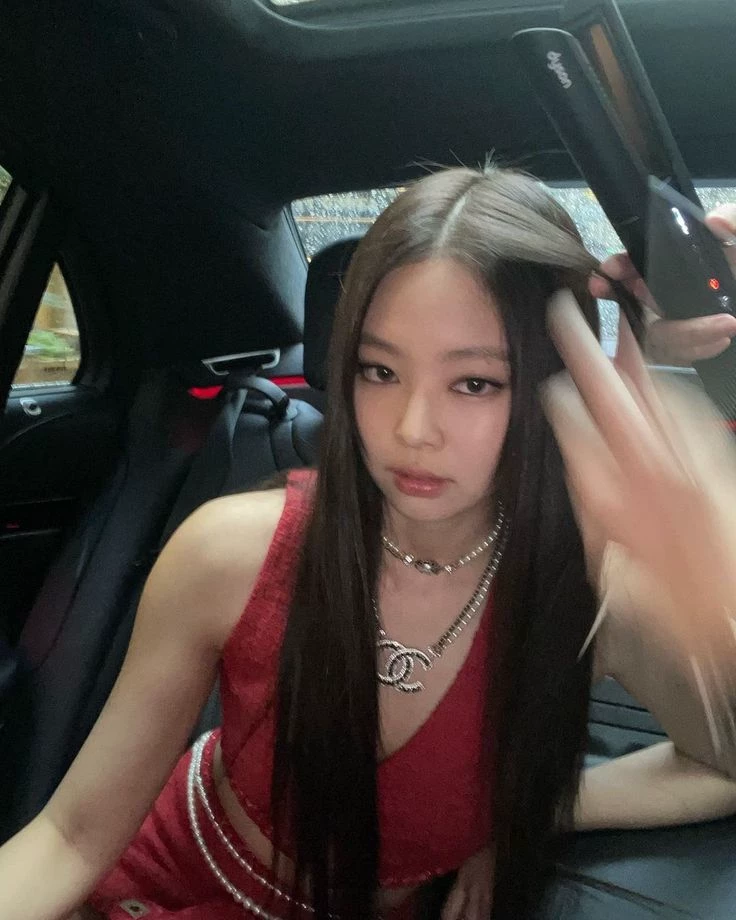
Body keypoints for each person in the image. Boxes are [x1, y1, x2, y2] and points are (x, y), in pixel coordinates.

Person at [2, 167, 736, 920]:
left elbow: (723, 766)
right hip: (162, 882)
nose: (413, 429)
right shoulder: (230, 553)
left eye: (475, 383)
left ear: (556, 387)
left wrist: (524, 811)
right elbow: (71, 836)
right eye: (379, 370)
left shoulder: (587, 593)